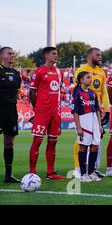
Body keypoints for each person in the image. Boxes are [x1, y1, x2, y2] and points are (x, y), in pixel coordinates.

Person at [73, 47, 110, 179]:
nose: (100, 57)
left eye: (101, 55)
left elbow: (104, 92)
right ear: (90, 56)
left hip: (96, 112)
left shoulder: (101, 72)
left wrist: (107, 109)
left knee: (96, 143)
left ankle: (92, 169)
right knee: (81, 143)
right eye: (98, 55)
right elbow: (76, 90)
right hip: (84, 112)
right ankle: (79, 169)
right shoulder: (81, 70)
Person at [29, 47, 65, 179]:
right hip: (42, 112)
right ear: (46, 56)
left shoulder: (58, 72)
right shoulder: (38, 72)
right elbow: (32, 92)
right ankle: (32, 171)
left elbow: (58, 91)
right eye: (53, 54)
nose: (56, 56)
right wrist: (37, 108)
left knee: (52, 142)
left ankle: (50, 172)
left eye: (57, 53)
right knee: (37, 141)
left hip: (55, 113)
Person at [71, 71, 103, 182]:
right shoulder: (77, 93)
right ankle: (83, 174)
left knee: (95, 146)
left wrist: (100, 125)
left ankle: (91, 172)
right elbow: (75, 112)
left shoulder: (93, 93)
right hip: (84, 121)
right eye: (88, 77)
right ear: (81, 80)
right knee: (83, 146)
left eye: (91, 77)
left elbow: (97, 110)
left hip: (94, 121)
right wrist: (78, 127)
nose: (91, 79)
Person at [0, 47, 22, 183]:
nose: (12, 55)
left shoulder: (15, 73)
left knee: (9, 143)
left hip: (11, 111)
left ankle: (8, 175)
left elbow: (16, 92)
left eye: (13, 53)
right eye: (9, 53)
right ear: (2, 56)